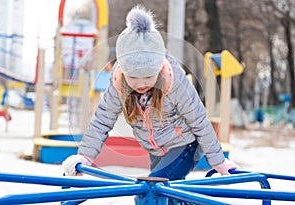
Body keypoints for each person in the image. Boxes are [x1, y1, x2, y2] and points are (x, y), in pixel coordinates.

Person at [62, 6, 237, 179]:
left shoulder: (173, 79)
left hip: (185, 145)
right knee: (165, 196)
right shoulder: (118, 82)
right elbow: (101, 121)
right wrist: (85, 156)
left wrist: (218, 162)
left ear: (158, 68)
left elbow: (198, 119)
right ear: (123, 71)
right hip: (156, 150)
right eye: (133, 77)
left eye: (147, 76)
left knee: (150, 192)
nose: (141, 84)